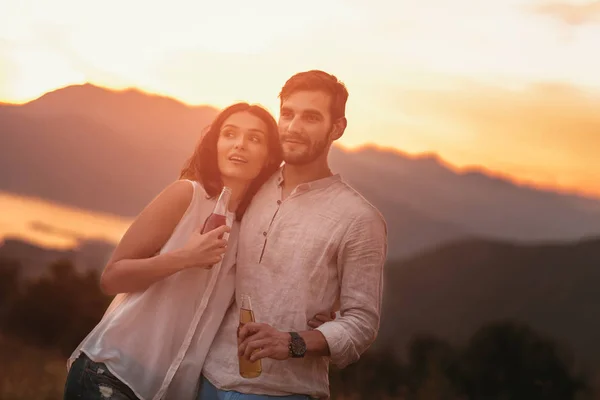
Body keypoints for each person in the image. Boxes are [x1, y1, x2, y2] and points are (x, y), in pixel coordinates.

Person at [63, 102, 322, 400]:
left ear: (268, 157)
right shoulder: (187, 195)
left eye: (254, 138)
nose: (239, 144)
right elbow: (112, 278)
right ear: (215, 145)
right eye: (230, 134)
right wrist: (184, 258)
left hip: (173, 392)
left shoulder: (251, 231)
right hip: (113, 375)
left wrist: (317, 313)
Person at [199, 70, 388, 400]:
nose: (293, 127)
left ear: (337, 128)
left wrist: (294, 341)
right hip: (206, 376)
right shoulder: (253, 183)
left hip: (284, 392)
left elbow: (362, 323)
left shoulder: (359, 218)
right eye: (287, 114)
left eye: (311, 117)